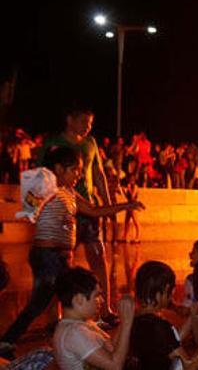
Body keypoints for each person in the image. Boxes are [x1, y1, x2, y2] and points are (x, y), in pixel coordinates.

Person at [0, 147, 141, 357]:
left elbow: (94, 211)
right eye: (74, 170)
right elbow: (29, 209)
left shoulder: (70, 193)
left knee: (66, 295)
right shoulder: (47, 187)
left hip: (61, 256)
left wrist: (127, 205)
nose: (79, 175)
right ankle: (8, 340)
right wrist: (39, 190)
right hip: (47, 255)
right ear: (58, 168)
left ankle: (75, 336)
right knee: (46, 299)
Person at [37, 107, 118, 326]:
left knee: (99, 257)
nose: (87, 126)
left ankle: (105, 309)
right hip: (63, 211)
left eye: (90, 122)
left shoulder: (90, 143)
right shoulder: (53, 143)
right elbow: (41, 177)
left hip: (88, 208)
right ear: (69, 119)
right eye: (83, 121)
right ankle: (57, 317)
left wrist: (109, 205)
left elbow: (99, 175)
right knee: (62, 266)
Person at [129, 260, 198, 370]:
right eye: (171, 291)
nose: (172, 296)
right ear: (165, 289)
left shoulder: (137, 321)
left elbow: (171, 341)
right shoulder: (158, 326)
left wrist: (192, 316)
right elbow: (190, 366)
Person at [52, 267, 135, 370]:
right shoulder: (73, 333)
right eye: (97, 295)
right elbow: (115, 365)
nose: (102, 300)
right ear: (79, 299)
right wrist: (127, 325)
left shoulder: (83, 324)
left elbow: (111, 347)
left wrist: (123, 322)